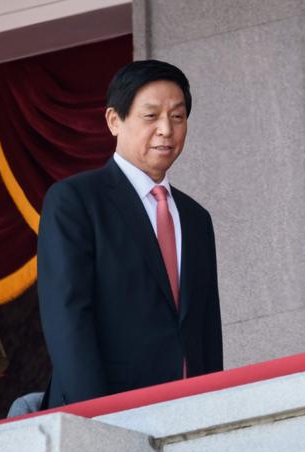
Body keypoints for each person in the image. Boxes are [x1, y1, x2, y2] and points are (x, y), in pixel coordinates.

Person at [37, 60, 223, 408]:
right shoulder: (76, 202)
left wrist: (213, 409)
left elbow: (207, 332)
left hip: (190, 412)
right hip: (110, 415)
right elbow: (68, 318)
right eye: (151, 116)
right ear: (113, 121)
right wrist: (96, 417)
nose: (166, 129)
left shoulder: (197, 219)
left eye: (178, 117)